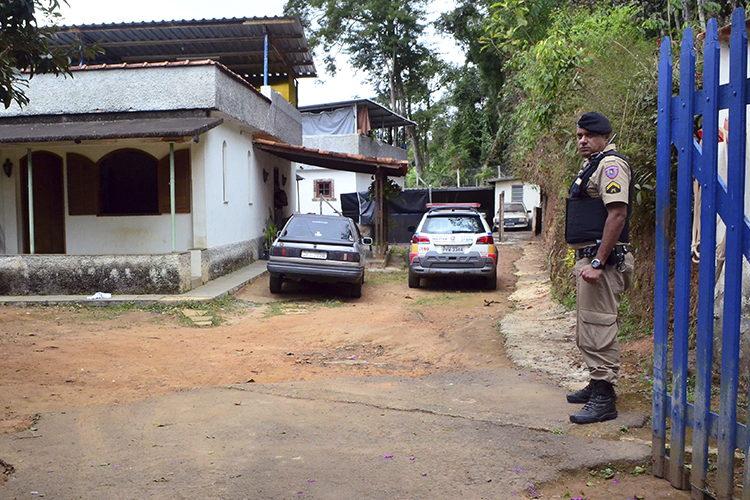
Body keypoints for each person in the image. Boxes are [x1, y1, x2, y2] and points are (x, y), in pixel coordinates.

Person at [564, 112, 635, 424]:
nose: (582, 141)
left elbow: (617, 215)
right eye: (579, 136)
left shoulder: (611, 165)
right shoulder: (594, 165)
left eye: (589, 136)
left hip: (604, 263)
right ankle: (596, 385)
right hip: (593, 259)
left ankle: (605, 398)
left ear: (605, 137)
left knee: (599, 325)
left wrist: (597, 261)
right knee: (588, 327)